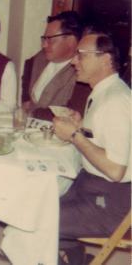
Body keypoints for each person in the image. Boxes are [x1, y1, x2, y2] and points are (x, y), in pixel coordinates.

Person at [53, 29, 131, 265]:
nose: (73, 61)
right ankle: (76, 259)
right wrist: (83, 127)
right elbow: (107, 140)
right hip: (90, 186)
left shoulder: (116, 100)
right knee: (37, 202)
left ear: (105, 60)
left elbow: (116, 170)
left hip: (110, 201)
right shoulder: (104, 91)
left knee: (36, 219)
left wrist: (76, 135)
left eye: (81, 55)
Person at [21, 11, 85, 120]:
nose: (44, 45)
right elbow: (28, 72)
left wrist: (34, 112)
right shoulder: (41, 57)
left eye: (50, 39)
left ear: (71, 40)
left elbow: (71, 112)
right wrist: (26, 99)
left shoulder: (82, 74)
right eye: (44, 39)